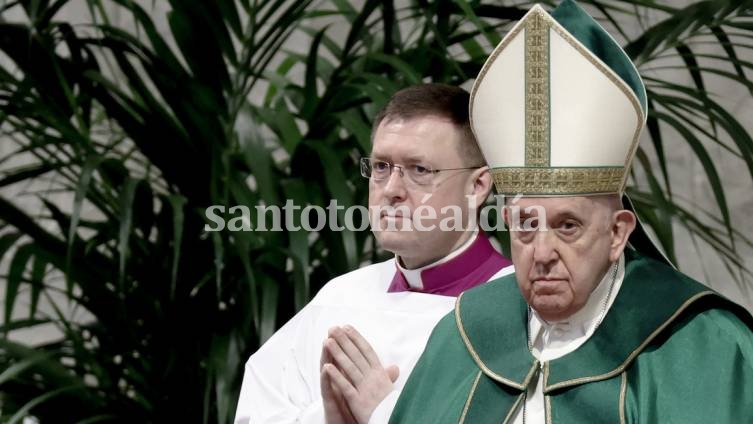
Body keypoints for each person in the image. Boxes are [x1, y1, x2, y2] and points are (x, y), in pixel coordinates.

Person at [322, 1, 753, 423]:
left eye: (568, 226)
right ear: (507, 222)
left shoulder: (702, 347)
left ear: (619, 233)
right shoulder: (464, 334)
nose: (541, 252)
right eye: (527, 226)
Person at [233, 83, 514, 423]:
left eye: (419, 170)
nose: (392, 190)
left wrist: (385, 413)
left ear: (477, 186)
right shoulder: (340, 298)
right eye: (381, 167)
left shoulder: (517, 310)